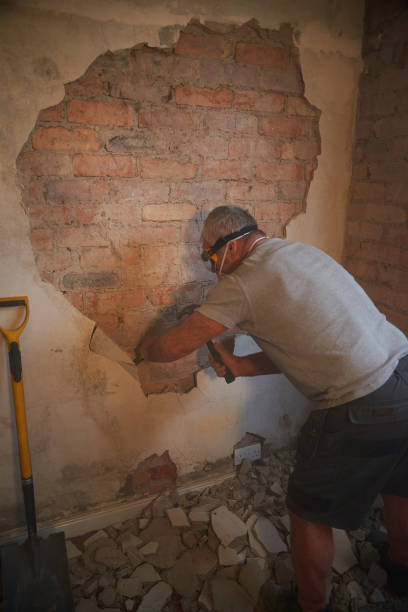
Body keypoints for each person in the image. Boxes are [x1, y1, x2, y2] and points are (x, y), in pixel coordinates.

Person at [139, 205, 408, 612]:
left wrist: (141, 351)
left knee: (307, 513)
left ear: (229, 246)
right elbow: (314, 349)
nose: (214, 270)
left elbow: (176, 344)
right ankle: (402, 570)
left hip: (360, 402)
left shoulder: (244, 281)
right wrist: (241, 365)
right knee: (399, 483)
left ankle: (311, 606)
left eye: (210, 257)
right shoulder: (299, 253)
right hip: (403, 372)